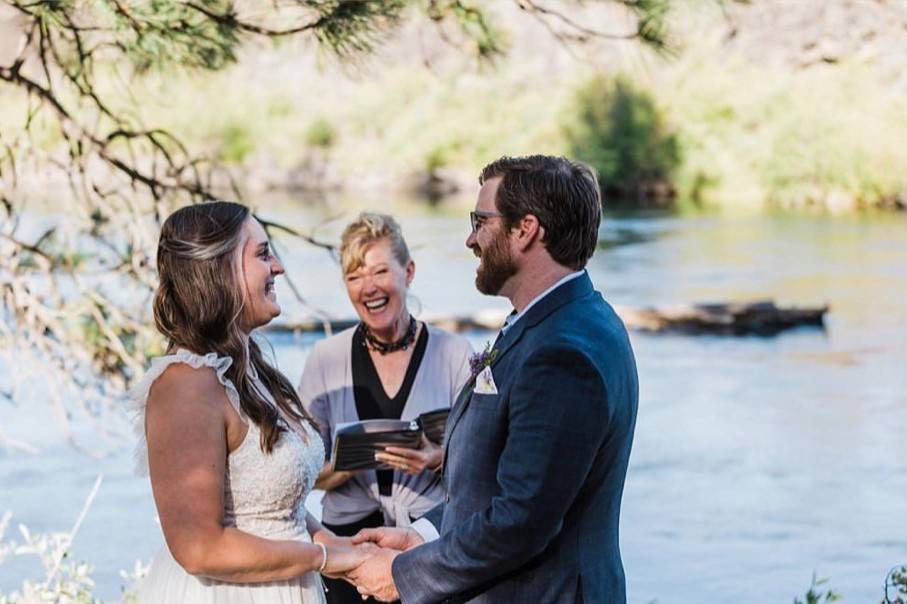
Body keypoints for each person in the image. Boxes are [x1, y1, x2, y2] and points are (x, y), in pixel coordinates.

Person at [346, 155, 640, 603]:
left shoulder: (562, 354)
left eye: (480, 221)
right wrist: (424, 535)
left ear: (526, 229)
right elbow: (496, 487)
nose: (470, 239)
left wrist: (405, 574)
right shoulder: (562, 320)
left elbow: (521, 522)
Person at [132, 201, 372, 603]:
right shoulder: (186, 385)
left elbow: (277, 509)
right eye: (262, 254)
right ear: (220, 269)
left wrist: (341, 546)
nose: (278, 266)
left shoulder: (248, 370)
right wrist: (324, 557)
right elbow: (199, 548)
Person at [298, 212, 473, 603]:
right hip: (345, 552)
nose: (368, 288)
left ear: (408, 272)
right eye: (355, 277)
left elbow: (485, 466)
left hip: (428, 549)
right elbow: (299, 476)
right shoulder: (324, 360)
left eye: (379, 271)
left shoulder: (456, 355)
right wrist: (349, 464)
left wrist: (440, 457)